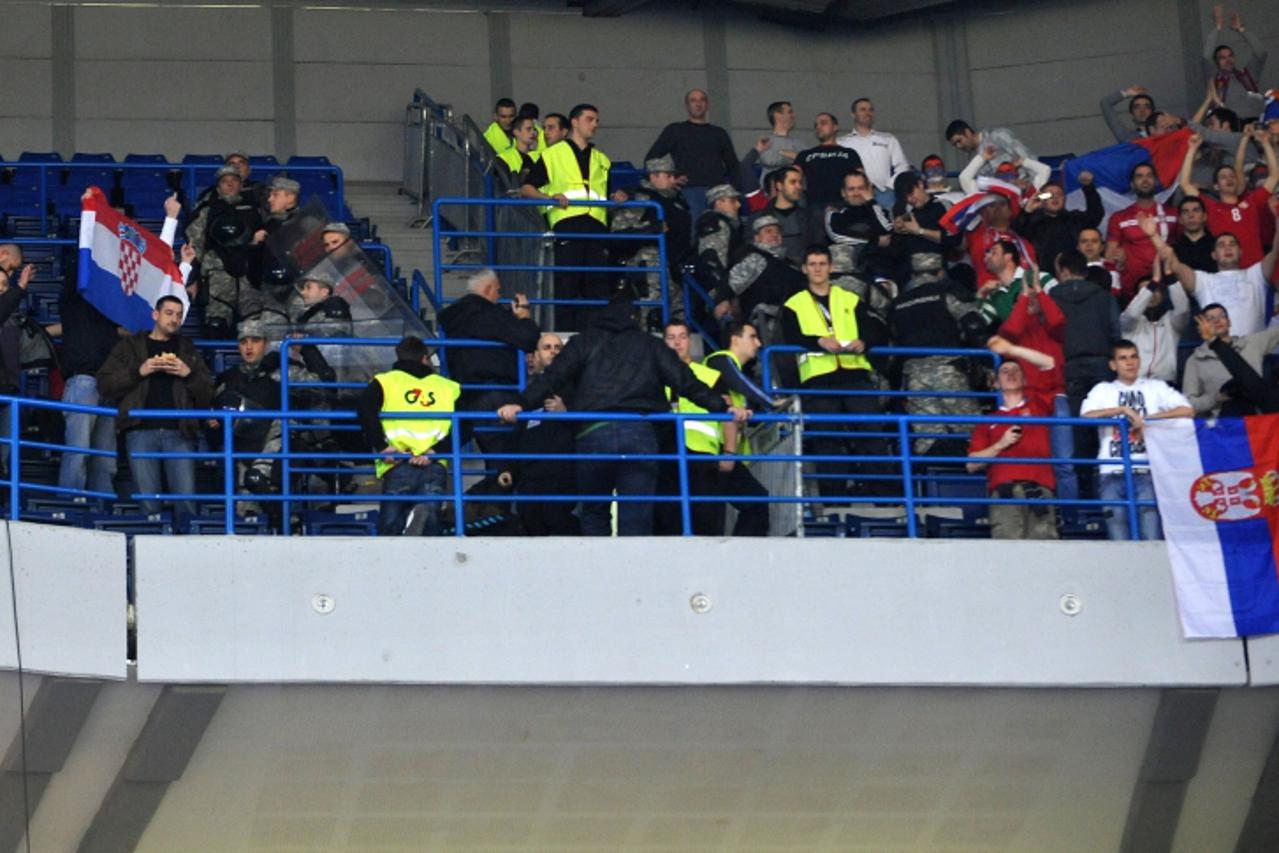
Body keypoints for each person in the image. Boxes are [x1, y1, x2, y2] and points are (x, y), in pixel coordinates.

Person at [497, 299, 749, 536]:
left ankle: (602, 577)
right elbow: (687, 384)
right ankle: (633, 578)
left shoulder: (583, 342)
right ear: (633, 318)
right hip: (640, 435)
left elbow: (551, 378)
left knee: (594, 514)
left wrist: (519, 403)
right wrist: (723, 408)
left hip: (593, 434)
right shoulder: (650, 344)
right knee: (636, 517)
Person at [781, 244, 891, 498]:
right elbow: (790, 336)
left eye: (822, 264)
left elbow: (874, 328)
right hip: (819, 379)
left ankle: (886, 494)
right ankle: (833, 497)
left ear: (831, 267)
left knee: (872, 434)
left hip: (854, 374)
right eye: (813, 264)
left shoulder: (850, 298)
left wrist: (865, 342)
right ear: (804, 269)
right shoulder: (793, 304)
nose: (818, 269)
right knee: (826, 439)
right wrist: (818, 341)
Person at [96, 295, 214, 528]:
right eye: (169, 313)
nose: (175, 319)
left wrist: (187, 374)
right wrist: (138, 371)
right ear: (155, 315)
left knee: (186, 504)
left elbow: (208, 392)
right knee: (148, 505)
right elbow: (104, 384)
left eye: (179, 315)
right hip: (140, 431)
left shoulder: (187, 349)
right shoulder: (129, 347)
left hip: (180, 433)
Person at [209, 319, 333, 522]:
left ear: (265, 344)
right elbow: (212, 425)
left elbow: (326, 385)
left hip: (277, 446)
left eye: (255, 340)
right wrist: (213, 424)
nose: (249, 347)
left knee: (257, 480)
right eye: (243, 341)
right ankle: (283, 520)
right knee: (248, 515)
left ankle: (286, 520)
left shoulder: (283, 370)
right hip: (242, 452)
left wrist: (307, 350)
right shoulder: (228, 379)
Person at [660, 321, 768, 536]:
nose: (677, 342)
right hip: (669, 457)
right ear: (663, 342)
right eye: (671, 338)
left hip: (706, 456)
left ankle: (736, 559)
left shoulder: (708, 375)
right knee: (670, 520)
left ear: (690, 341)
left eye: (682, 336)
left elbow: (726, 413)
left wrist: (729, 452)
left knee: (748, 504)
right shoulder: (655, 374)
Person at [1082, 339, 1193, 541]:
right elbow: (1086, 416)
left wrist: (1147, 420)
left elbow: (1187, 410)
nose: (1129, 362)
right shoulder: (1103, 389)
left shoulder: (1155, 387)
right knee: (1119, 539)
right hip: (1111, 471)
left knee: (1151, 537)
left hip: (1148, 470)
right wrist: (1123, 410)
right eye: (1123, 358)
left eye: (1133, 357)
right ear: (1113, 365)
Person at [521, 103, 613, 333]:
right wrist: (550, 197)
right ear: (575, 122)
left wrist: (617, 197)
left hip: (597, 226)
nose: (595, 125)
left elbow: (604, 193)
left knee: (598, 285)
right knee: (567, 283)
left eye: (596, 120)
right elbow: (527, 188)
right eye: (590, 119)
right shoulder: (553, 154)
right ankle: (565, 334)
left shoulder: (602, 158)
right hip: (568, 223)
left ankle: (597, 335)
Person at [357, 336, 460, 536]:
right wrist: (436, 451)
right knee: (430, 527)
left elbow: (364, 408)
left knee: (390, 528)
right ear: (425, 358)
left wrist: (381, 445)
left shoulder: (385, 382)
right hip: (433, 462)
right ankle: (421, 521)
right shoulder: (448, 387)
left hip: (397, 461)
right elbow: (465, 425)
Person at [890, 252, 987, 458]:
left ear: (913, 274)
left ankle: (931, 487)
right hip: (948, 370)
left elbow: (892, 341)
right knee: (974, 435)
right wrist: (985, 364)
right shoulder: (946, 292)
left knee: (929, 441)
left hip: (914, 377)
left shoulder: (898, 303)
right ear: (940, 271)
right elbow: (973, 325)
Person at [437, 268, 540, 455]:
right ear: (487, 289)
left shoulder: (453, 317)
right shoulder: (489, 314)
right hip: (498, 391)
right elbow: (528, 339)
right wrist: (524, 315)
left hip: (466, 392)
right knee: (509, 455)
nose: (499, 297)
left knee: (475, 443)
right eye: (498, 291)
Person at [1045, 249, 1120, 501]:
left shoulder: (1052, 297)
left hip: (1070, 367)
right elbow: (1115, 334)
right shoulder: (1103, 296)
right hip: (1102, 366)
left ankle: (1085, 491)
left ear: (1064, 271)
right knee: (1106, 428)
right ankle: (1108, 487)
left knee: (1077, 428)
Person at [967, 342, 1060, 540]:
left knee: (1045, 555)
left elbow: (1049, 363)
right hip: (1004, 493)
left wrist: (1012, 350)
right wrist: (1001, 444)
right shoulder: (987, 421)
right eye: (1004, 371)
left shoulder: (1038, 406)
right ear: (995, 383)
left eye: (1015, 370)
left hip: (1039, 489)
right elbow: (972, 464)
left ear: (1025, 379)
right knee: (1009, 556)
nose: (1010, 373)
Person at [495, 333, 579, 536]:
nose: (553, 351)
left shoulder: (579, 388)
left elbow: (591, 426)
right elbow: (517, 437)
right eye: (547, 347)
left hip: (564, 474)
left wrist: (566, 413)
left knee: (560, 523)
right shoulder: (528, 395)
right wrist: (508, 469)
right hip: (531, 476)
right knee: (529, 522)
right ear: (535, 356)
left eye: (558, 348)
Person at [1150, 208, 1279, 336]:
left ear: (1241, 252)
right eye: (1221, 245)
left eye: (1232, 244)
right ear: (1214, 255)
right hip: (1218, 350)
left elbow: (1275, 251)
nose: (1227, 248)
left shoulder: (1256, 274)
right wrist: (1153, 235)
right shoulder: (1203, 280)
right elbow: (1174, 263)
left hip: (1252, 351)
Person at [609, 154, 692, 326]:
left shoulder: (679, 201)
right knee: (650, 318)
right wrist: (651, 230)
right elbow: (618, 236)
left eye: (673, 176)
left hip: (675, 270)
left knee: (678, 321)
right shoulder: (639, 198)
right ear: (653, 176)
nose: (672, 180)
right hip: (649, 269)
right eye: (667, 175)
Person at [184, 165, 264, 338]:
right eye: (225, 181)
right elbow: (195, 245)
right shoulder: (207, 209)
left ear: (241, 184)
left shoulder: (257, 209)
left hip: (249, 275)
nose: (230, 185)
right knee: (215, 325)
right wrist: (192, 278)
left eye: (234, 180)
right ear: (218, 186)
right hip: (217, 276)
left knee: (255, 328)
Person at [1178, 131, 1278, 268]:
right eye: (1223, 177)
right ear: (1216, 186)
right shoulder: (1210, 207)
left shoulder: (1252, 202)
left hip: (1256, 273)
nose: (1229, 179)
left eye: (1232, 176)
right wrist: (1192, 149)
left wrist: (1266, 143)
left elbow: (1274, 176)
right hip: (1227, 273)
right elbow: (1184, 183)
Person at [645, 89, 738, 226]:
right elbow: (651, 159)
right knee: (694, 231)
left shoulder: (719, 133)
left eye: (702, 100)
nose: (698, 104)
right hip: (689, 191)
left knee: (724, 231)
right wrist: (671, 180)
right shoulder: (675, 130)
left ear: (707, 105)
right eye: (693, 100)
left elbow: (733, 164)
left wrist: (732, 191)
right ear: (687, 106)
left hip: (717, 192)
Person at [718, 215, 807, 347]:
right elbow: (730, 285)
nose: (774, 234)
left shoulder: (791, 265)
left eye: (777, 231)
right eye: (768, 231)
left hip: (794, 318)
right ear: (757, 237)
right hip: (765, 323)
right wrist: (722, 300)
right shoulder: (756, 258)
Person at [1182, 303, 1279, 417]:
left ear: (1229, 322)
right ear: (1202, 328)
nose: (1217, 321)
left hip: (1259, 418)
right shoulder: (1195, 360)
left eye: (1221, 316)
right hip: (1224, 423)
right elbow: (1188, 404)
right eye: (1210, 319)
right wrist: (1216, 398)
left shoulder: (1252, 343)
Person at [1104, 163, 1178, 303]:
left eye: (1149, 176)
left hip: (1167, 289)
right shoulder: (1119, 218)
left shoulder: (1172, 214)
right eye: (1140, 176)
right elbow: (1110, 256)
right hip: (1131, 291)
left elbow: (1182, 247)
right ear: (1132, 184)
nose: (1145, 180)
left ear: (1155, 181)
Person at [1013, 171, 1102, 273]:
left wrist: (1088, 188)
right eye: (1049, 195)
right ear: (1041, 199)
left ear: (1065, 199)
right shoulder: (1033, 222)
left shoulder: (1074, 218)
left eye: (1059, 194)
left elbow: (1095, 215)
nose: (1055, 197)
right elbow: (1016, 231)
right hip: (1044, 278)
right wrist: (1027, 210)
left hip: (1075, 275)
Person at [836, 98, 909, 209]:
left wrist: (889, 186)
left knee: (888, 225)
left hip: (884, 194)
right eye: (863, 109)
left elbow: (902, 166)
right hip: (854, 194)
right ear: (853, 114)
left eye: (871, 110)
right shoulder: (842, 142)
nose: (868, 113)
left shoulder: (888, 139)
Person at [824, 171, 892, 282]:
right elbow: (837, 236)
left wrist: (872, 203)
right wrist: (875, 240)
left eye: (860, 188)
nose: (856, 193)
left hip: (879, 272)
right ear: (843, 193)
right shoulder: (835, 214)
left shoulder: (879, 210)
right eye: (851, 189)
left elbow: (887, 232)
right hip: (846, 274)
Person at [1119, 278, 1189, 385]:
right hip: (1135, 381)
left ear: (1162, 294)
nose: (1151, 294)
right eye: (1146, 291)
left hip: (1165, 382)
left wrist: (1171, 279)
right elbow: (1132, 314)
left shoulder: (1171, 319)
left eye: (1155, 290)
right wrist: (1153, 283)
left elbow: (1183, 309)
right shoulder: (1129, 321)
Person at [1203, 6, 1267, 120]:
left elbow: (1261, 53)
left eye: (1230, 55)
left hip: (1256, 123)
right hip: (1230, 127)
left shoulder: (1248, 73)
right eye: (1222, 58)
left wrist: (1241, 30)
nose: (1228, 60)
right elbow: (1206, 56)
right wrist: (1217, 28)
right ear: (1216, 62)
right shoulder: (1214, 77)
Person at [694, 184, 747, 319]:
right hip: (719, 294)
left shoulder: (729, 225)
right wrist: (721, 297)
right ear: (719, 202)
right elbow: (711, 261)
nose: (739, 205)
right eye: (733, 201)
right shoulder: (716, 223)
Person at [795, 112, 863, 211]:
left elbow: (862, 179)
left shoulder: (849, 153)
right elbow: (792, 176)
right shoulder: (805, 155)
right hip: (814, 206)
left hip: (844, 205)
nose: (818, 127)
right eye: (816, 125)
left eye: (823, 123)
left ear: (835, 127)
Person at [759, 165, 822, 266]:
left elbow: (819, 248)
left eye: (800, 183)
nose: (799, 187)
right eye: (793, 182)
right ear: (779, 186)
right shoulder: (759, 218)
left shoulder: (811, 217)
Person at [945, 120, 1035, 184]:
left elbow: (1028, 157)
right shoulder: (973, 159)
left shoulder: (997, 136)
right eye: (955, 145)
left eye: (959, 141)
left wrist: (1034, 186)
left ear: (967, 132)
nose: (959, 146)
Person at [758, 101, 808, 181]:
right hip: (772, 190)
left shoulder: (800, 143)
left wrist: (780, 152)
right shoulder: (765, 140)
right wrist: (796, 156)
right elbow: (770, 160)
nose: (794, 116)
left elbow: (809, 163)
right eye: (790, 112)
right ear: (777, 115)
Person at [293, 271, 353, 337]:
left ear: (324, 291)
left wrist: (301, 339)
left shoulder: (334, 305)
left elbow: (333, 337)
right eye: (303, 288)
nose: (302, 292)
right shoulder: (313, 310)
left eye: (309, 287)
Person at [1171, 196, 1217, 272]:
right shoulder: (1172, 251)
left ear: (1204, 216)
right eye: (1185, 212)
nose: (1191, 215)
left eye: (1196, 210)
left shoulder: (1217, 246)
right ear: (1180, 220)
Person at [496, 115, 541, 183]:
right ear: (516, 132)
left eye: (534, 129)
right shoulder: (503, 158)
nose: (533, 132)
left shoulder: (539, 156)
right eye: (528, 129)